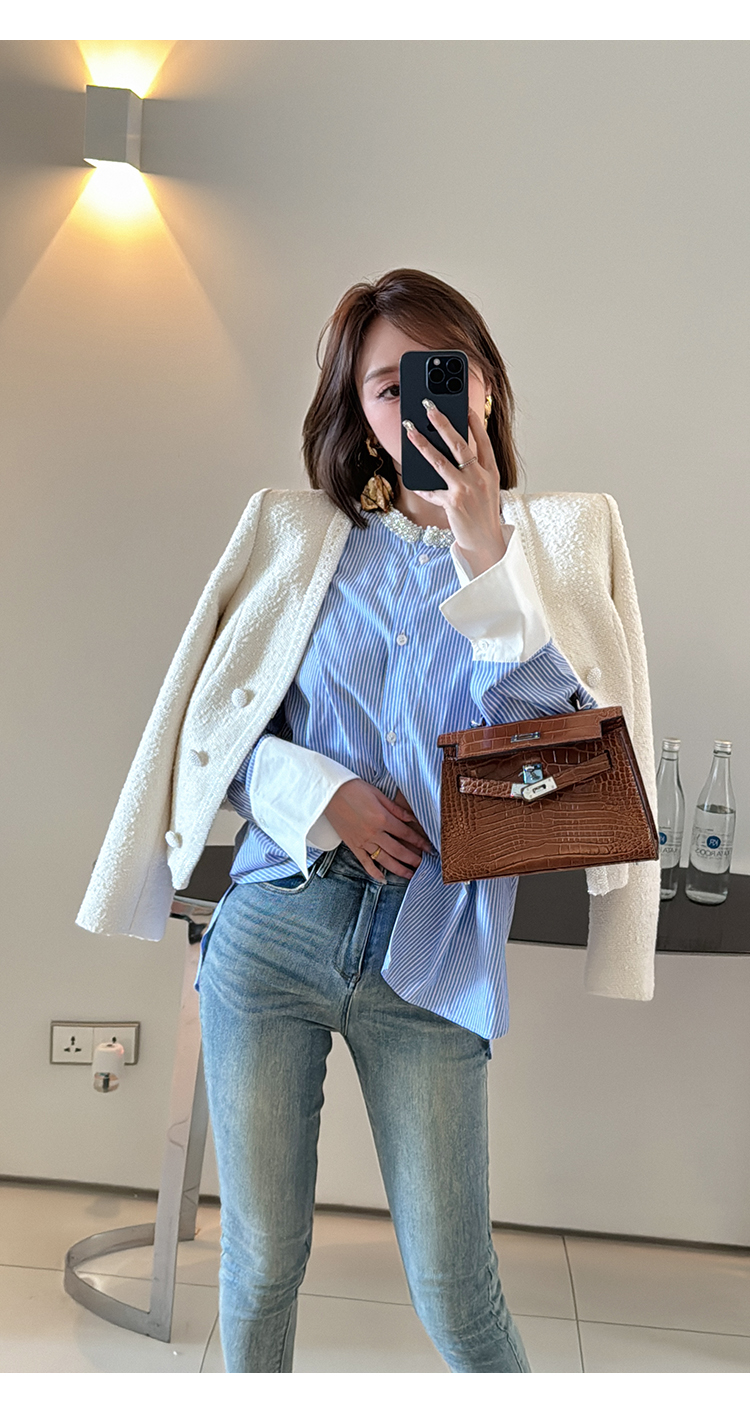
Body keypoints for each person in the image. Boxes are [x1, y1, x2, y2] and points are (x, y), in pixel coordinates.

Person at [76, 268, 660, 1374]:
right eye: (389, 387)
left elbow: (563, 766)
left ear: (486, 388)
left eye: (444, 374)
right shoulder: (297, 535)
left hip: (433, 949)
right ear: (361, 411)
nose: (418, 404)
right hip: (275, 929)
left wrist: (487, 552)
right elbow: (215, 738)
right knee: (260, 1263)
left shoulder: (555, 547)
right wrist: (321, 793)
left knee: (457, 1292)